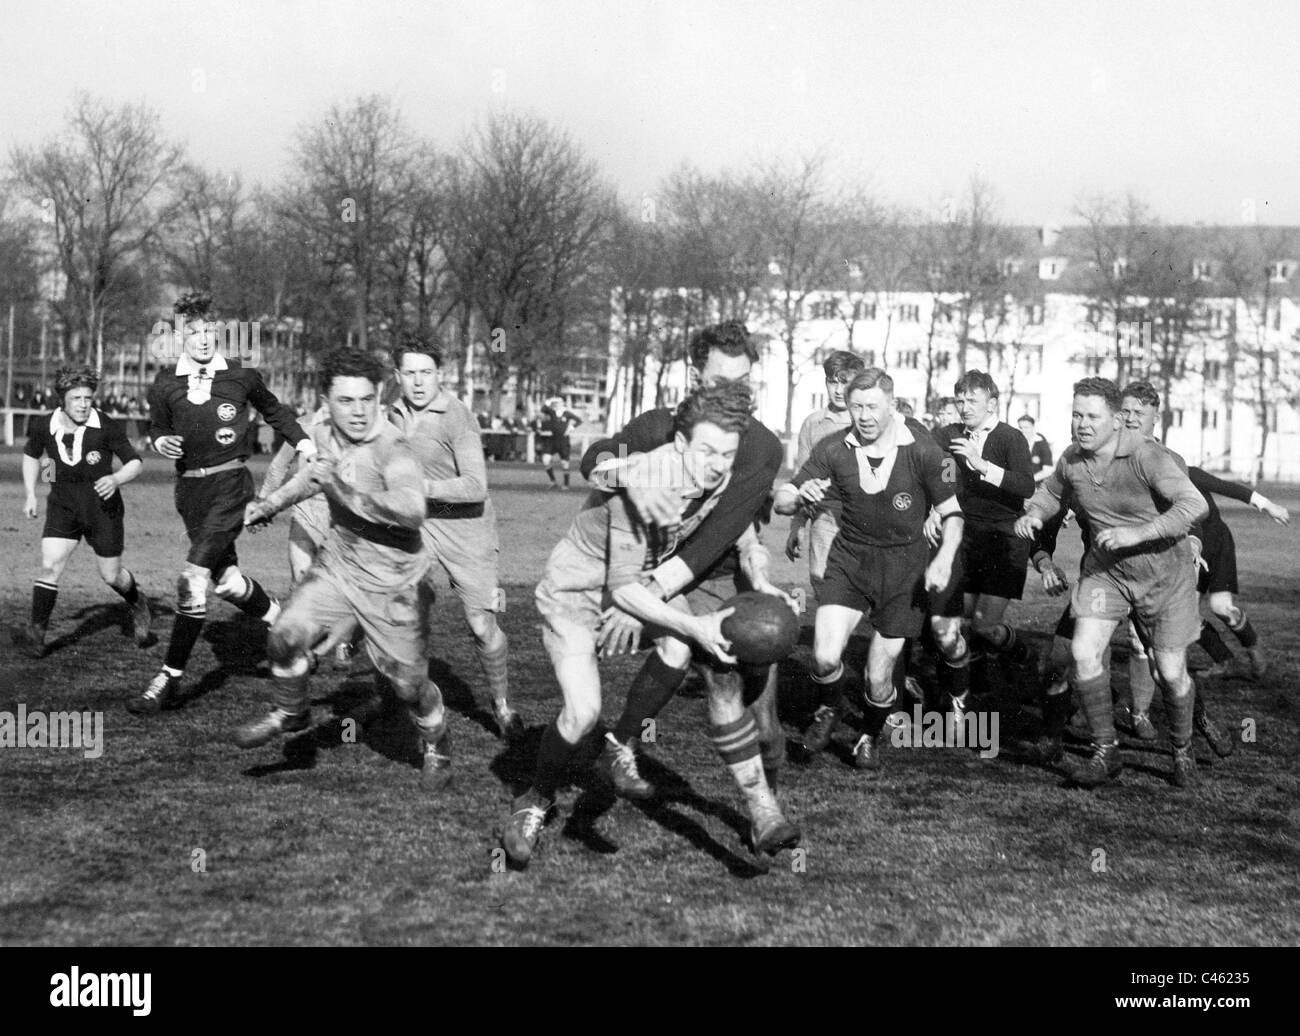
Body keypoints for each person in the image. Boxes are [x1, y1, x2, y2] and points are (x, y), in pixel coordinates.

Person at [502, 381, 800, 866]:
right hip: (578, 592)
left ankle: (618, 745)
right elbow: (622, 590)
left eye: (727, 452)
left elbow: (736, 525)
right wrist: (696, 626)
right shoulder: (644, 481)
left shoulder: (718, 472)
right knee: (580, 715)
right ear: (681, 444)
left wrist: (757, 568)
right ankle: (534, 799)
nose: (718, 463)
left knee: (678, 651)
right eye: (706, 450)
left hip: (635, 582)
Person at [577, 321, 788, 794]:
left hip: (721, 576)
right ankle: (622, 748)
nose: (732, 395)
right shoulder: (660, 426)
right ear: (696, 376)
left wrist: (645, 595)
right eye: (719, 383)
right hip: (667, 575)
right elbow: (596, 458)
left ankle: (768, 797)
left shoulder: (762, 448)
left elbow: (719, 537)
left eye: (742, 383)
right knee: (713, 682)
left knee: (767, 726)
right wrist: (627, 472)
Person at [237, 347, 453, 789]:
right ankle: (291, 711)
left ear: (379, 397)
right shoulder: (324, 432)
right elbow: (312, 476)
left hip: (396, 583)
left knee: (409, 686)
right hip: (339, 565)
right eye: (346, 401)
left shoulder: (394, 448)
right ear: (326, 401)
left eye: (366, 400)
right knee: (282, 639)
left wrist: (347, 492)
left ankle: (437, 742)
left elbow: (412, 510)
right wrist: (270, 504)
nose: (357, 412)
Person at [1015, 377, 1207, 788]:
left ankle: (1182, 747)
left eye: (1092, 416)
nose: (1082, 424)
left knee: (1171, 673)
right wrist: (1035, 512)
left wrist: (1138, 533)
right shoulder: (1072, 458)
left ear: (1117, 419)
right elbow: (1051, 492)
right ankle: (1107, 751)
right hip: (1109, 574)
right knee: (1083, 652)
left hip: (1165, 577)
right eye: (1076, 415)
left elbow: (1196, 503)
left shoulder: (1146, 457)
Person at [130, 291, 312, 716]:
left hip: (231, 485)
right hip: (189, 493)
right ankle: (292, 629)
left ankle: (168, 678)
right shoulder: (164, 383)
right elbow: (157, 428)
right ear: (179, 337)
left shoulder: (241, 376)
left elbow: (274, 411)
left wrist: (304, 442)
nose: (203, 339)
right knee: (227, 582)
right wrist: (161, 441)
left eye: (210, 331)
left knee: (191, 580)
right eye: (193, 332)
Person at [775, 367, 964, 774]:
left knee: (879, 678)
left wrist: (944, 560)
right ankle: (828, 708)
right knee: (824, 658)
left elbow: (953, 514)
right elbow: (785, 494)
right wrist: (795, 496)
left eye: (872, 407)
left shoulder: (923, 450)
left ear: (892, 406)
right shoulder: (834, 447)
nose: (863, 415)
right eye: (856, 406)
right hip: (850, 560)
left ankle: (869, 735)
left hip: (904, 569)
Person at [388, 336, 521, 740]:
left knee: (481, 627)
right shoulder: (390, 414)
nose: (418, 381)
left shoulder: (456, 415)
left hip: (469, 530)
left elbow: (476, 486)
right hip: (422, 527)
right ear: (397, 376)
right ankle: (406, 702)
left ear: (439, 375)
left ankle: (501, 705)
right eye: (409, 373)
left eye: (426, 372)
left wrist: (421, 488)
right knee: (397, 607)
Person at [13, 365, 152, 657]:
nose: (83, 404)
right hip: (62, 505)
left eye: (88, 398)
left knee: (111, 576)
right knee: (50, 566)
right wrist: (30, 494)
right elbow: (32, 456)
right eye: (76, 398)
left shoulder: (106, 425)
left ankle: (137, 602)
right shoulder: (43, 425)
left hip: (103, 509)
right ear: (62, 399)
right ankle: (37, 635)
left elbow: (135, 462)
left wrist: (115, 479)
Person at [928, 372, 1037, 702]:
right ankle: (974, 687)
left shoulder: (1010, 438)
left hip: (1004, 538)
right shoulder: (947, 435)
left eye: (971, 401)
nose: (964, 407)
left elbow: (1026, 486)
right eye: (959, 400)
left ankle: (1021, 653)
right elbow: (943, 478)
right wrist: (936, 507)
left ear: (991, 404)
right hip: (964, 534)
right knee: (962, 621)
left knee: (984, 626)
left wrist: (981, 464)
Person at [786, 351, 866, 601]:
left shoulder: (868, 420)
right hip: (824, 516)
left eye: (846, 382)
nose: (839, 389)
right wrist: (797, 526)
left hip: (866, 518)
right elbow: (801, 481)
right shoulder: (813, 424)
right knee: (823, 582)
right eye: (833, 381)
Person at [538, 396, 582, 489]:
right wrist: (548, 400)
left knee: (564, 463)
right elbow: (543, 409)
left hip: (563, 441)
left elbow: (579, 421)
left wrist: (571, 428)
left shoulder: (567, 413)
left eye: (558, 403)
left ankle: (566, 484)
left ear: (562, 403)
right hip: (552, 440)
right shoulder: (552, 412)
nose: (556, 404)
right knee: (545, 459)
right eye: (555, 403)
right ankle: (553, 481)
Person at [1018, 415, 1054, 483]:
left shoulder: (1041, 443)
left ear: (1033, 427)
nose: (1023, 430)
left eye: (1026, 427)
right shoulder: (1017, 441)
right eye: (1020, 427)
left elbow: (1048, 470)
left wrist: (1029, 481)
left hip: (1036, 485)